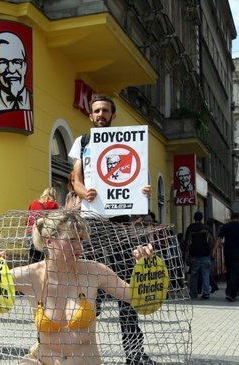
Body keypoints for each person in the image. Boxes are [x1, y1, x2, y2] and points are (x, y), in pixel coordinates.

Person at [0, 211, 154, 365]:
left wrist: (145, 269)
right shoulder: (29, 275)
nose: (79, 246)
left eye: (81, 239)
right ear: (49, 242)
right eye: (71, 240)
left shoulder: (95, 271)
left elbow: (137, 297)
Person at [67, 94, 154, 365]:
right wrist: (82, 191)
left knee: (126, 288)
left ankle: (134, 353)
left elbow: (139, 176)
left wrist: (145, 191)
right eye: (97, 111)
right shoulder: (82, 142)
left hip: (121, 222)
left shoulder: (128, 141)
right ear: (90, 116)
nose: (101, 114)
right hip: (90, 221)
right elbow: (75, 178)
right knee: (84, 287)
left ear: (113, 115)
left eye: (105, 110)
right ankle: (78, 350)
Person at [0, 31, 33, 132]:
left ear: (25, 66)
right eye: (2, 62)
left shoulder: (35, 105)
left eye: (17, 62)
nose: (11, 70)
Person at [211, 212, 239, 303]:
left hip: (227, 253)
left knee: (229, 272)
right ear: (238, 218)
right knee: (236, 273)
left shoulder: (225, 227)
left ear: (231, 217)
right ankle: (230, 293)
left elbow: (219, 238)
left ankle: (230, 292)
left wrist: (214, 250)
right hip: (238, 253)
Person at [183, 211, 214, 300]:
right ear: (202, 218)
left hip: (194, 255)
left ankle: (193, 293)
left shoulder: (190, 228)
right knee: (205, 274)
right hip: (205, 255)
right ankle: (206, 292)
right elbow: (211, 241)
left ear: (194, 217)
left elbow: (186, 242)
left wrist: (186, 253)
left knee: (193, 275)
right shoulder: (206, 228)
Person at [27, 187, 60, 263]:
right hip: (44, 235)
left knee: (33, 259)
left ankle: (32, 273)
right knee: (45, 261)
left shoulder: (33, 204)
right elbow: (57, 222)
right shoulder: (53, 205)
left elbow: (27, 221)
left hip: (31, 233)